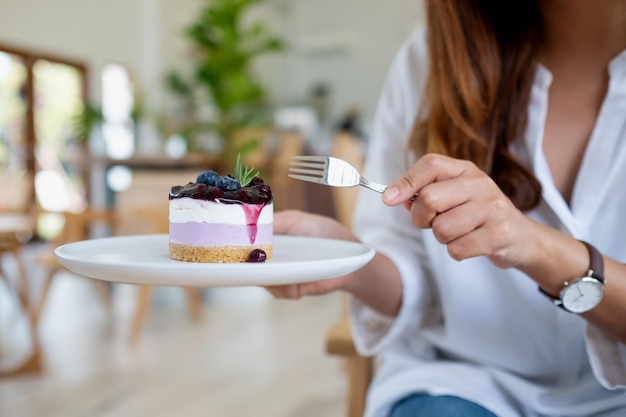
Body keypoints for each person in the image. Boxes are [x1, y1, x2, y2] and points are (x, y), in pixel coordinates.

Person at [267, 0, 626, 416]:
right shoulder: (428, 61)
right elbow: (419, 284)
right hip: (468, 384)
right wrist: (349, 262)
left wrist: (537, 247)